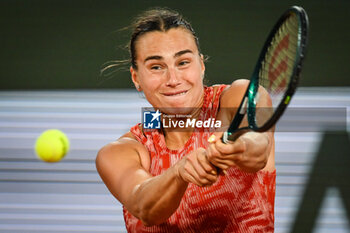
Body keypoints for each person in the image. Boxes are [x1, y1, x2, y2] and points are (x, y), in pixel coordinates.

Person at [96, 7, 276, 233]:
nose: (173, 79)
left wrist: (239, 146)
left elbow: (258, 147)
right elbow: (145, 208)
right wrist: (178, 173)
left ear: (201, 65)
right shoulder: (119, 152)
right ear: (136, 77)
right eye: (156, 67)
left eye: (183, 62)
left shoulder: (240, 97)